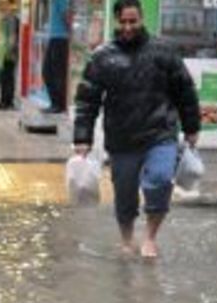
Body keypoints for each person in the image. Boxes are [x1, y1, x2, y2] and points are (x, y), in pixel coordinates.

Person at [72, 0, 200, 259]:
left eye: (133, 21)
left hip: (160, 133)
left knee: (160, 181)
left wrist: (191, 127)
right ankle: (127, 239)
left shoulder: (164, 52)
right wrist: (82, 138)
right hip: (122, 138)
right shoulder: (102, 57)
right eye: (124, 22)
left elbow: (185, 91)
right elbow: (87, 100)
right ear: (116, 21)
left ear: (142, 19)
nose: (128, 27)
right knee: (125, 194)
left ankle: (150, 238)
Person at [41, 0, 69, 113]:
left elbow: (66, 16)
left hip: (61, 38)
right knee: (47, 72)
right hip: (54, 37)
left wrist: (71, 33)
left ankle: (59, 104)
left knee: (56, 73)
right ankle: (55, 103)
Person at [0, 1, 19, 109]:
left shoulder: (11, 19)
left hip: (8, 54)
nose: (0, 6)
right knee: (4, 77)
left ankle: (6, 102)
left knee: (7, 77)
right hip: (3, 53)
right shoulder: (5, 19)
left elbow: (13, 37)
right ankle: (4, 100)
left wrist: (10, 51)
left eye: (3, 4)